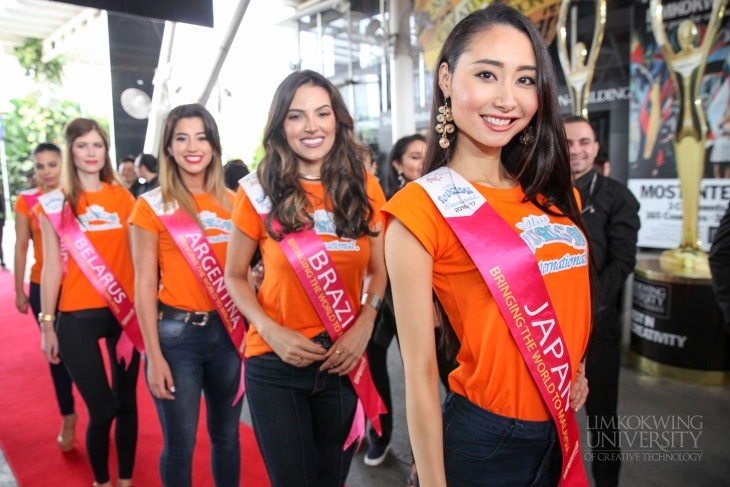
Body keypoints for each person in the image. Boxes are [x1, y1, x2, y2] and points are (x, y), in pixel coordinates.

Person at [382, 6, 592, 486]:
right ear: (446, 78)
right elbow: (418, 372)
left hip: (560, 426)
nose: (506, 99)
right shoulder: (420, 210)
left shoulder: (557, 196)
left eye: (525, 80)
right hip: (484, 441)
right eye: (486, 74)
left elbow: (571, 296)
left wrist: (573, 363)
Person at [225, 69, 387, 487]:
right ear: (281, 125)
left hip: (342, 360)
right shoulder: (258, 191)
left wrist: (365, 326)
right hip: (275, 364)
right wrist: (268, 329)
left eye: (322, 113)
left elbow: (379, 269)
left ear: (338, 121)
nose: (312, 127)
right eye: (297, 116)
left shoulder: (365, 188)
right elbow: (235, 275)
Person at [130, 104, 244, 487]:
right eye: (182, 137)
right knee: (180, 444)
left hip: (230, 336)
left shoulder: (237, 203)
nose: (192, 146)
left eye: (201, 137)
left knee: (228, 438)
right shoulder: (151, 207)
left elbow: (246, 274)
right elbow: (144, 285)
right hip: (177, 339)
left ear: (213, 145)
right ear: (168, 148)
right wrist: (153, 356)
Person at [38, 119, 140, 487]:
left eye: (98, 145)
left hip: (123, 314)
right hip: (77, 316)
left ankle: (126, 479)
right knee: (101, 409)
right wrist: (47, 324)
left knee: (127, 402)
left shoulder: (122, 197)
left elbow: (138, 256)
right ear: (71, 151)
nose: (92, 152)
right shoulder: (54, 204)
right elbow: (51, 268)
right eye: (83, 145)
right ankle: (101, 481)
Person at [365, 133, 460, 476]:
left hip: (436, 310)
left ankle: (435, 454)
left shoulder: (450, 200)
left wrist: (433, 306)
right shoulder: (385, 203)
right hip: (387, 305)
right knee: (379, 371)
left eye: (428, 155)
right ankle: (381, 434)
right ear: (398, 164)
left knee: (447, 377)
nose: (423, 161)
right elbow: (378, 263)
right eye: (415, 156)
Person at [564, 115, 640, 487]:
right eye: (568, 143)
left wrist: (585, 304)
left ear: (595, 148)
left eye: (584, 142)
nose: (576, 150)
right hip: (546, 325)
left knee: (602, 415)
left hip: (598, 326)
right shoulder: (536, 193)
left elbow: (624, 259)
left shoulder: (618, 197)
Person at [13, 142, 77, 451]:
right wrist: (19, 291)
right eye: (41, 166)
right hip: (43, 285)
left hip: (81, 286)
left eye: (53, 164)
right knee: (55, 354)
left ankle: (103, 411)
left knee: (83, 353)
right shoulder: (27, 202)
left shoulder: (79, 195)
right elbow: (21, 246)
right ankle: (68, 414)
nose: (47, 171)